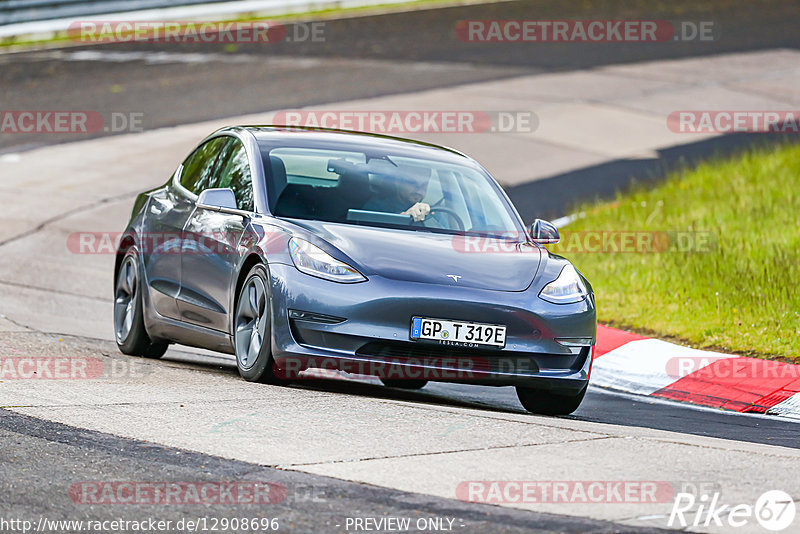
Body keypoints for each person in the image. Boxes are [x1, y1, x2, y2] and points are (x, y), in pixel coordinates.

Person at [363, 167, 432, 222]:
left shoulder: (432, 211)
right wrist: (404, 217)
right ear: (397, 182)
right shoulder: (375, 207)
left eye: (424, 185)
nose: (419, 190)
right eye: (412, 183)